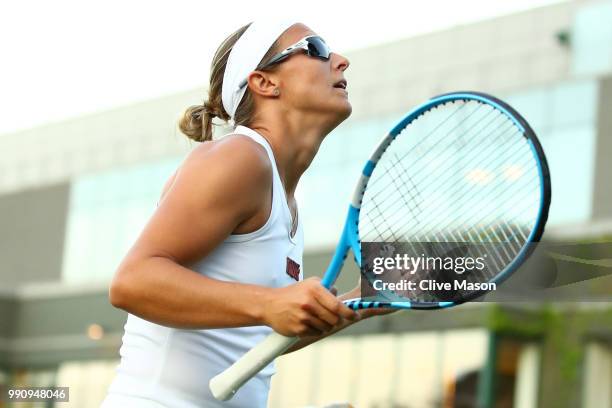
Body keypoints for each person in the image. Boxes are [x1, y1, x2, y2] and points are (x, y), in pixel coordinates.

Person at [102, 20, 379, 408]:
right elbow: (133, 281)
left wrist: (359, 300)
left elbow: (248, 343)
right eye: (315, 48)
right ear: (264, 82)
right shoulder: (240, 157)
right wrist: (269, 303)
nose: (341, 61)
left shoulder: (284, 197)